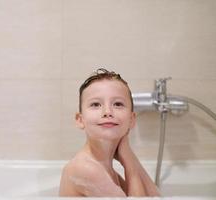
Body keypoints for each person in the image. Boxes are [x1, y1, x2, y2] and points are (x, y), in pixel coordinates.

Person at [59, 68, 160, 197]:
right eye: (95, 104)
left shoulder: (105, 167)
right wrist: (130, 166)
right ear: (80, 120)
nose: (107, 111)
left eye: (118, 104)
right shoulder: (85, 169)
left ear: (131, 119)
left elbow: (156, 197)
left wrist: (129, 156)